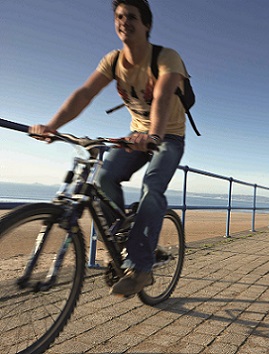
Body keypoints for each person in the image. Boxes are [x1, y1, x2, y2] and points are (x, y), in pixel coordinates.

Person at [29, 0, 191, 297]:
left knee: (152, 186)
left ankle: (142, 268)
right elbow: (85, 93)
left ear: (147, 25)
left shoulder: (167, 57)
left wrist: (153, 135)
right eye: (118, 16)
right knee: (102, 178)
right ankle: (121, 241)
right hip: (136, 135)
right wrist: (53, 125)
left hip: (168, 136)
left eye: (131, 16)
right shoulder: (113, 60)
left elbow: (163, 98)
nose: (123, 21)